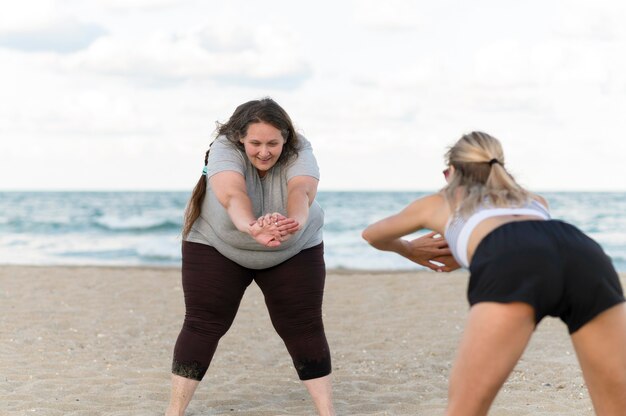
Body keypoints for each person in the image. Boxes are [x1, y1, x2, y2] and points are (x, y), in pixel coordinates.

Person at [362, 131, 626, 416]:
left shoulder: (439, 202)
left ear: (451, 173)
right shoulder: (533, 199)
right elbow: (532, 240)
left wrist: (410, 250)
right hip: (582, 251)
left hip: (510, 259)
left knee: (465, 409)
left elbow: (373, 235)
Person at [165, 98, 335, 415]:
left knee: (304, 327)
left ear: (286, 138)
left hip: (293, 245)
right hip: (217, 242)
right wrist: (251, 226)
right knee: (203, 324)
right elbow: (232, 195)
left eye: (273, 143)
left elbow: (302, 192)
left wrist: (293, 223)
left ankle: (328, 412)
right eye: (255, 143)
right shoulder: (224, 148)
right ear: (241, 137)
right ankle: (173, 412)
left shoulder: (301, 150)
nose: (264, 151)